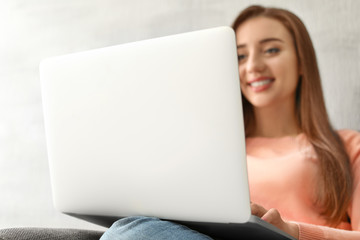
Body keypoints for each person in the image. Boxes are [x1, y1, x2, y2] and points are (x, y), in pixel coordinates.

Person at [100, 5, 360, 240]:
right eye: (240, 56)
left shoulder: (347, 146)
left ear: (302, 61)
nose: (253, 66)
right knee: (129, 227)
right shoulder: (213, 149)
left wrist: (294, 232)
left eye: (271, 50)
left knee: (133, 232)